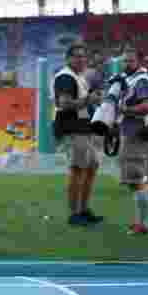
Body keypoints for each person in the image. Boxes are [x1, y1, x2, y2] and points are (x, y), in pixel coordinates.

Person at [52, 42, 102, 226]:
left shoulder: (78, 77)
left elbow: (83, 102)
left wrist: (92, 100)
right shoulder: (65, 77)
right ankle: (75, 213)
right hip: (72, 128)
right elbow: (64, 103)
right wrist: (89, 99)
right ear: (68, 59)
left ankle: (83, 209)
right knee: (77, 169)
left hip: (83, 127)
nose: (81, 59)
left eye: (83, 56)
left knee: (91, 166)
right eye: (77, 56)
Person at [115, 45, 148, 235]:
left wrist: (125, 111)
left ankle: (144, 224)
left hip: (136, 131)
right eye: (124, 60)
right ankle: (141, 221)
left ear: (139, 61)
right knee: (134, 179)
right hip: (129, 131)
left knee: (136, 178)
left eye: (130, 60)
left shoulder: (143, 80)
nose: (127, 63)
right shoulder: (129, 79)